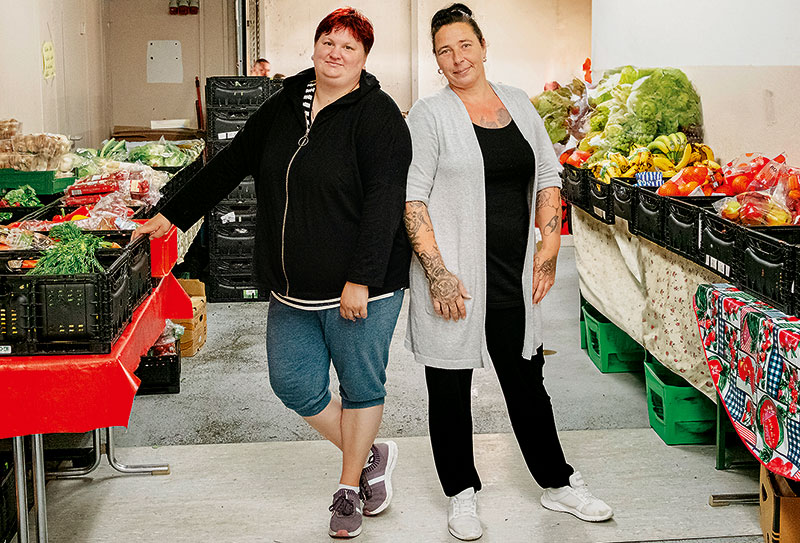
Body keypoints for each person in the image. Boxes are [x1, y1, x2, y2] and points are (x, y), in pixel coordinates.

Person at [135, 8, 411, 539]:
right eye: (327, 41)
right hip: (290, 286)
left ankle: (349, 488)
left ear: (363, 59)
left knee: (359, 387)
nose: (335, 52)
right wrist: (170, 214)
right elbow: (229, 162)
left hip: (361, 288)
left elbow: (384, 202)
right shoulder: (282, 106)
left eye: (348, 47)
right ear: (313, 48)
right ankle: (371, 453)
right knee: (293, 384)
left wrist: (362, 276)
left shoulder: (378, 116)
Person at [403, 4, 613, 540]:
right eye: (444, 50)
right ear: (436, 59)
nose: (456, 58)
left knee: (527, 380)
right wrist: (438, 273)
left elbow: (546, 174)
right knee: (448, 386)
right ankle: (461, 493)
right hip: (456, 279)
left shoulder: (517, 103)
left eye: (464, 45)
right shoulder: (429, 115)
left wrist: (548, 245)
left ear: (483, 46)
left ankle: (558, 483)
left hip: (513, 275)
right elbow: (413, 200)